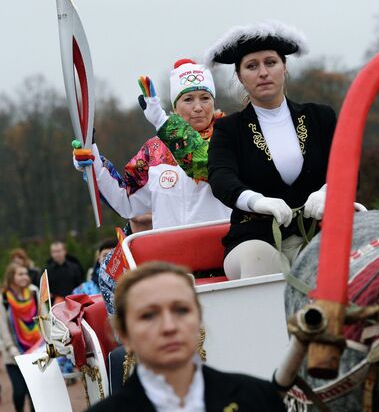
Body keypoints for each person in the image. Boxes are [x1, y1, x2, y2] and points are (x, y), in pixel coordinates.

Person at [204, 21, 339, 279]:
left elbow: (347, 168)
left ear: (284, 68)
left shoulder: (320, 117)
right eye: (252, 66)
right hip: (252, 239)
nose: (263, 72)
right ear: (240, 76)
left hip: (318, 233)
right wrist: (257, 202)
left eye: (270, 62)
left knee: (329, 261)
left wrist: (327, 192)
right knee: (260, 262)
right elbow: (221, 178)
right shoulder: (228, 129)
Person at [86, 261, 286, 411]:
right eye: (148, 315)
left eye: (181, 310)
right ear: (124, 335)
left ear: (198, 319)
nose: (169, 327)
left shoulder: (258, 398)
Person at [72, 59, 231, 230]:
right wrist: (92, 160)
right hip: (170, 252)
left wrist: (163, 123)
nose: (198, 107)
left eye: (205, 98)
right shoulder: (154, 151)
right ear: (175, 107)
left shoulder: (230, 137)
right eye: (188, 99)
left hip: (220, 248)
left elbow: (204, 166)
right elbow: (126, 202)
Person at [0, 263, 41, 412]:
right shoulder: (4, 298)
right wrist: (11, 348)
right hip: (14, 355)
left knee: (34, 393)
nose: (25, 276)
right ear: (11, 277)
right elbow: (3, 327)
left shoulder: (34, 292)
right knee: (19, 392)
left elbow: (43, 316)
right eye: (20, 274)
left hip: (36, 350)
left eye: (26, 273)